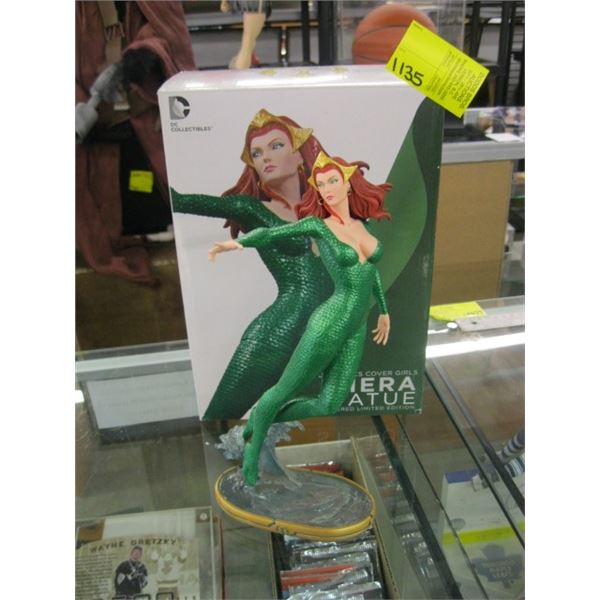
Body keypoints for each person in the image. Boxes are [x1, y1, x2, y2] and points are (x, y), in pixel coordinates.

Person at [209, 151, 392, 485]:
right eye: (321, 184)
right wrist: (235, 245)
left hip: (356, 327)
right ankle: (253, 448)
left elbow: (370, 271)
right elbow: (270, 235)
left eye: (333, 181)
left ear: (348, 184)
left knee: (328, 404)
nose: (328, 189)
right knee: (284, 388)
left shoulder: (362, 226)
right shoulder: (317, 226)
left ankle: (261, 418)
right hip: (330, 321)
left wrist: (384, 310)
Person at [171, 109, 333, 420]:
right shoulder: (251, 208)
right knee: (224, 416)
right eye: (256, 154)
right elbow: (182, 200)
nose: (265, 157)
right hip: (279, 330)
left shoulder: (328, 205)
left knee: (290, 419)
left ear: (299, 156)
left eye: (276, 146)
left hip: (321, 331)